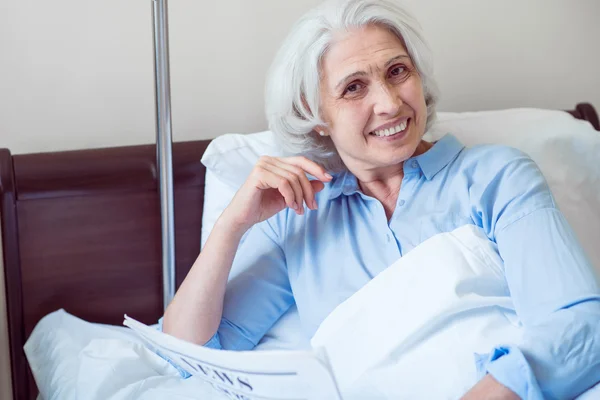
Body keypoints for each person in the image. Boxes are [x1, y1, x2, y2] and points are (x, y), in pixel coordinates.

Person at [162, 0, 600, 398]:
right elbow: (190, 356)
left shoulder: (495, 177)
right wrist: (230, 227)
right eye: (354, 87)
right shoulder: (298, 218)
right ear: (312, 113)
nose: (389, 104)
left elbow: (579, 325)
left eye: (397, 72)